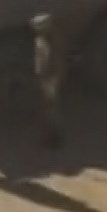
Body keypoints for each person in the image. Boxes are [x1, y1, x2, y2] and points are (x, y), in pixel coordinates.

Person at [32, 13, 66, 151]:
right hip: (49, 78)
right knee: (50, 109)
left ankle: (53, 139)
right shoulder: (49, 40)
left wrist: (46, 80)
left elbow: (46, 64)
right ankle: (52, 136)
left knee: (50, 111)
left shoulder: (45, 43)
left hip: (48, 79)